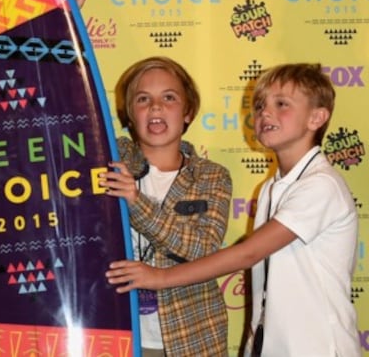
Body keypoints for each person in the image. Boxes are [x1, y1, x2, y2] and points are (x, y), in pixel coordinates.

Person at [106, 63, 360, 357]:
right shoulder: (273, 186)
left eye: (281, 104)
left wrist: (157, 277)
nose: (265, 112)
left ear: (317, 117)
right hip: (273, 344)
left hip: (317, 346)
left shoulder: (321, 186)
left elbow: (247, 253)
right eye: (260, 105)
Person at [100, 56, 232, 356]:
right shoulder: (108, 159)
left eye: (169, 97)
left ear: (187, 112)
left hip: (192, 339)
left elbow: (203, 249)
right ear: (129, 114)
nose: (156, 107)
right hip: (117, 335)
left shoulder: (212, 176)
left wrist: (136, 202)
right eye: (143, 99)